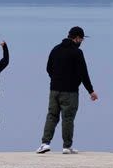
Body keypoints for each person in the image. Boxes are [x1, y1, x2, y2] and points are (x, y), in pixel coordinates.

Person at [36, 26, 98, 155]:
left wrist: (56, 79)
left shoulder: (56, 49)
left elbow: (48, 68)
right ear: (76, 38)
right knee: (68, 118)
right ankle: (67, 146)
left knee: (52, 116)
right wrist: (91, 91)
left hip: (54, 90)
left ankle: (44, 144)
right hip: (70, 92)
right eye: (81, 39)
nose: (81, 42)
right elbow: (83, 74)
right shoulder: (77, 53)